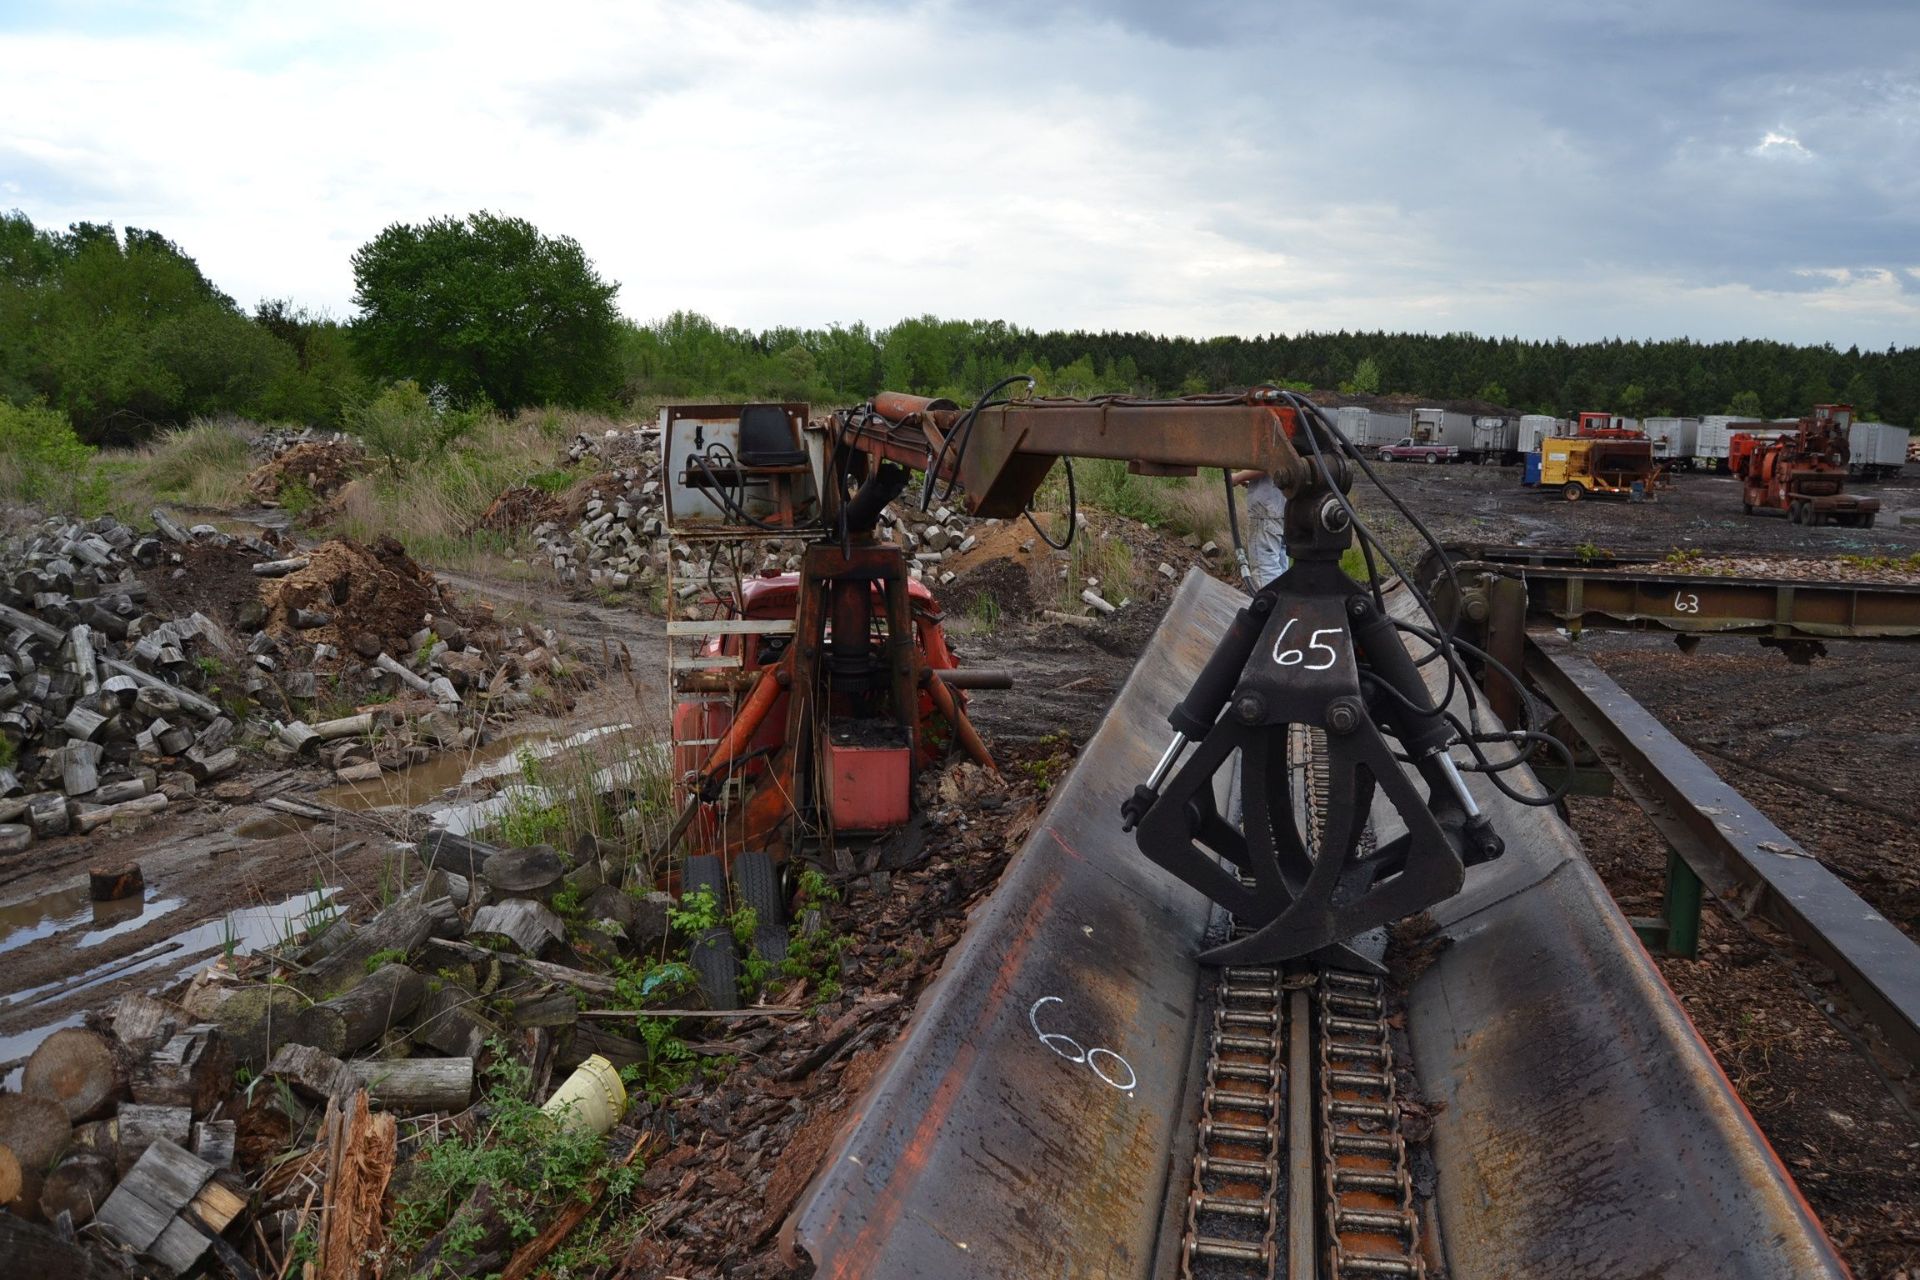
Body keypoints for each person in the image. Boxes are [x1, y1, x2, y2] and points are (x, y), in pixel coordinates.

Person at [1232, 469, 1289, 587]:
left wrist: (1237, 477)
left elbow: (1267, 462)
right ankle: (1281, 603)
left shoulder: (1276, 450)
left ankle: (1270, 604)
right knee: (1281, 568)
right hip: (1284, 509)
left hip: (1266, 511)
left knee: (1266, 569)